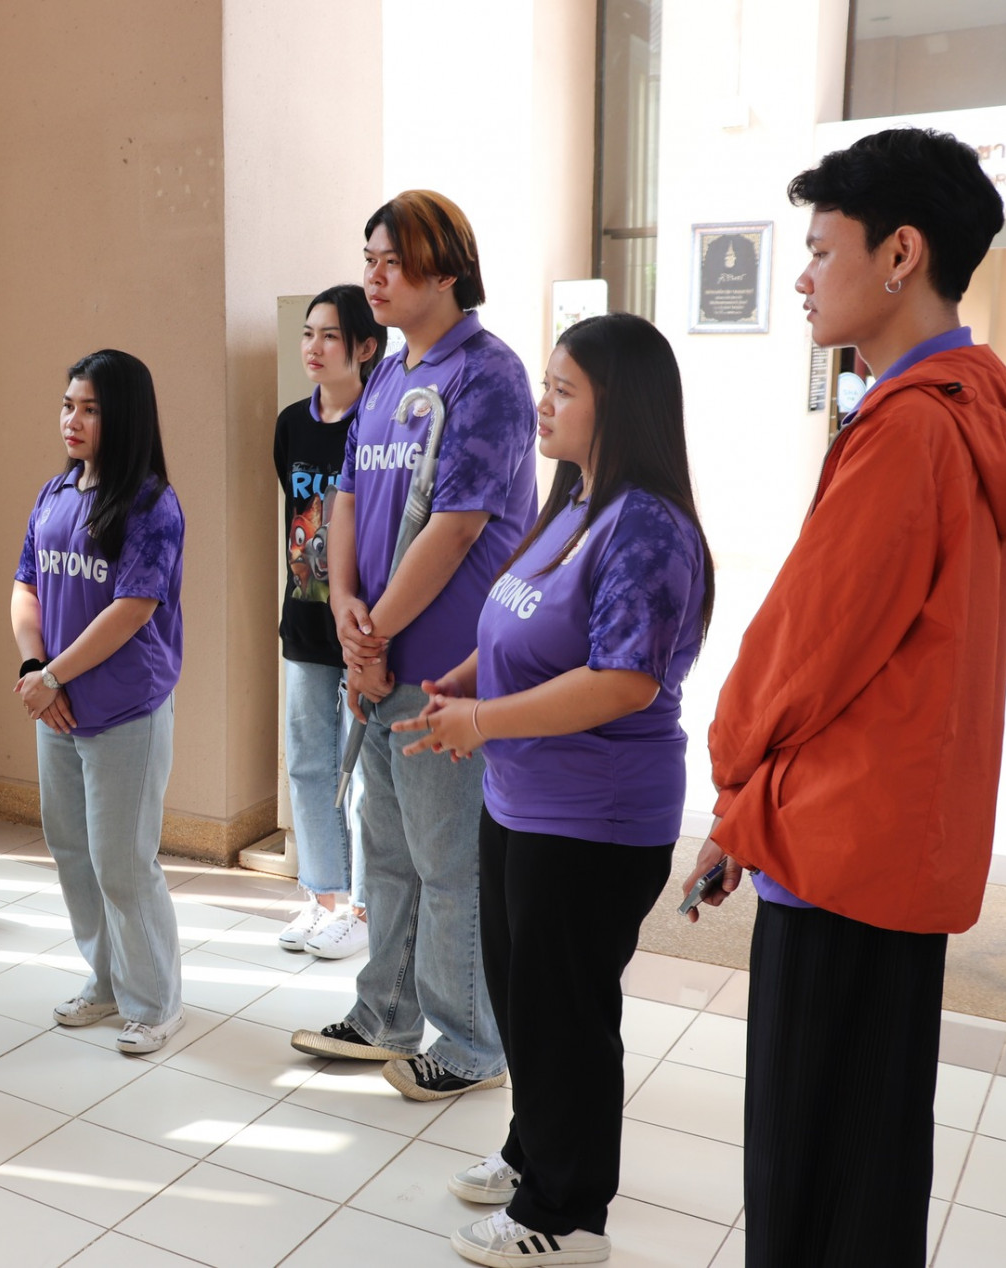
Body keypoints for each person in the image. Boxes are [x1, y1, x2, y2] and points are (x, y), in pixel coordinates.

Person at [685, 128, 1006, 1267]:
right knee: (868, 1165)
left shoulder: (911, 427)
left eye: (821, 248)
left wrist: (733, 778)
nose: (803, 274)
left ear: (900, 254)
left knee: (806, 1179)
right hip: (898, 850)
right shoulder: (971, 412)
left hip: (838, 852)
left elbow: (804, 651)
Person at [398, 313, 714, 1265]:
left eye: (561, 388)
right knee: (522, 996)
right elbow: (524, 624)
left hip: (595, 818)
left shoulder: (647, 526)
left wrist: (483, 720)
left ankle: (566, 1215)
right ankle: (532, 1149)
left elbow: (623, 680)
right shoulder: (573, 501)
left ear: (617, 405)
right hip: (522, 802)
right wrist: (467, 677)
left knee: (566, 1012)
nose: (541, 402)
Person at [289, 190, 536, 1103]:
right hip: (379, 655)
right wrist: (348, 607)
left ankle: (470, 1041)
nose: (373, 276)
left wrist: (376, 631)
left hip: (448, 672)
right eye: (368, 258)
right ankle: (384, 1013)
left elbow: (461, 526)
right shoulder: (390, 375)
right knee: (384, 850)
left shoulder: (488, 377)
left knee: (447, 861)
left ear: (445, 267)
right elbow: (348, 495)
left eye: (391, 260)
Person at [10, 349, 187, 1055]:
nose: (72, 420)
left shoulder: (151, 503)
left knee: (122, 859)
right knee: (72, 849)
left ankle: (156, 1002)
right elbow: (25, 586)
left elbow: (133, 608)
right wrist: (35, 668)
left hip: (122, 710)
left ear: (123, 416)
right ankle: (108, 983)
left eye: (89, 408)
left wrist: (53, 675)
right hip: (56, 706)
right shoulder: (53, 497)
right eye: (66, 405)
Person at [274, 284, 386, 959]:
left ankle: (363, 907)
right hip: (303, 620)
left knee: (366, 774)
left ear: (364, 348)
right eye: (307, 334)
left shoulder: (378, 424)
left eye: (329, 337)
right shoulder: (290, 422)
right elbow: (294, 514)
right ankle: (321, 898)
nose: (312, 347)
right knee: (308, 766)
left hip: (364, 624)